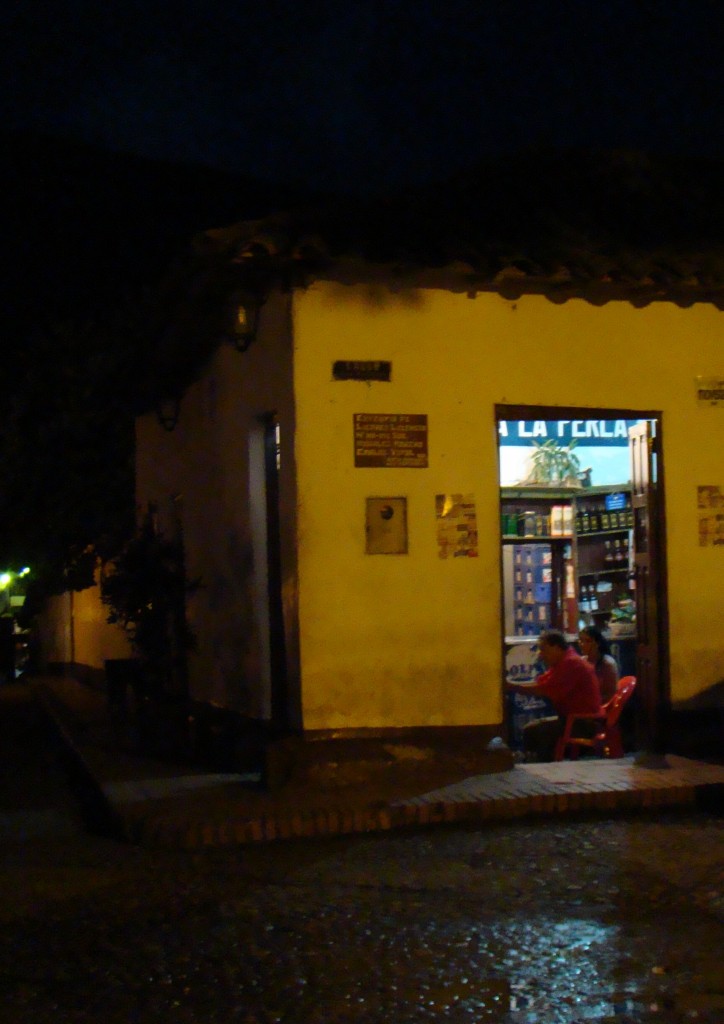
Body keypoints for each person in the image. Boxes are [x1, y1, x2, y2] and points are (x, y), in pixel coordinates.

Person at [507, 629, 602, 762]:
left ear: (556, 647)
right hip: (574, 720)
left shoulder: (571, 663)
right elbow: (542, 683)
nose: (540, 655)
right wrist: (514, 686)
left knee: (535, 731)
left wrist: (512, 686)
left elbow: (542, 689)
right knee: (533, 729)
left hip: (582, 724)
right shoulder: (563, 662)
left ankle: (542, 767)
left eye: (543, 649)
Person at [579, 625, 619, 703]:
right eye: (580, 640)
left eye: (587, 641)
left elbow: (611, 694)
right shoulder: (582, 661)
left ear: (597, 643)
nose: (582, 644)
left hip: (602, 706)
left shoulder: (607, 663)